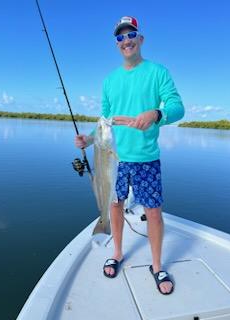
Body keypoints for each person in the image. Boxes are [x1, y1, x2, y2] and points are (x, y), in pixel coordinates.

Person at [75, 16, 184, 295]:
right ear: (117, 44)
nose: (126, 40)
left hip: (146, 157)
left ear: (141, 39)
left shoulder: (157, 72)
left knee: (154, 212)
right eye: (120, 37)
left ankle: (157, 266)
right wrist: (88, 139)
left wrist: (156, 113)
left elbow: (177, 106)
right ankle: (118, 253)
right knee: (114, 206)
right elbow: (104, 121)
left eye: (131, 34)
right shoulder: (109, 81)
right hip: (114, 158)